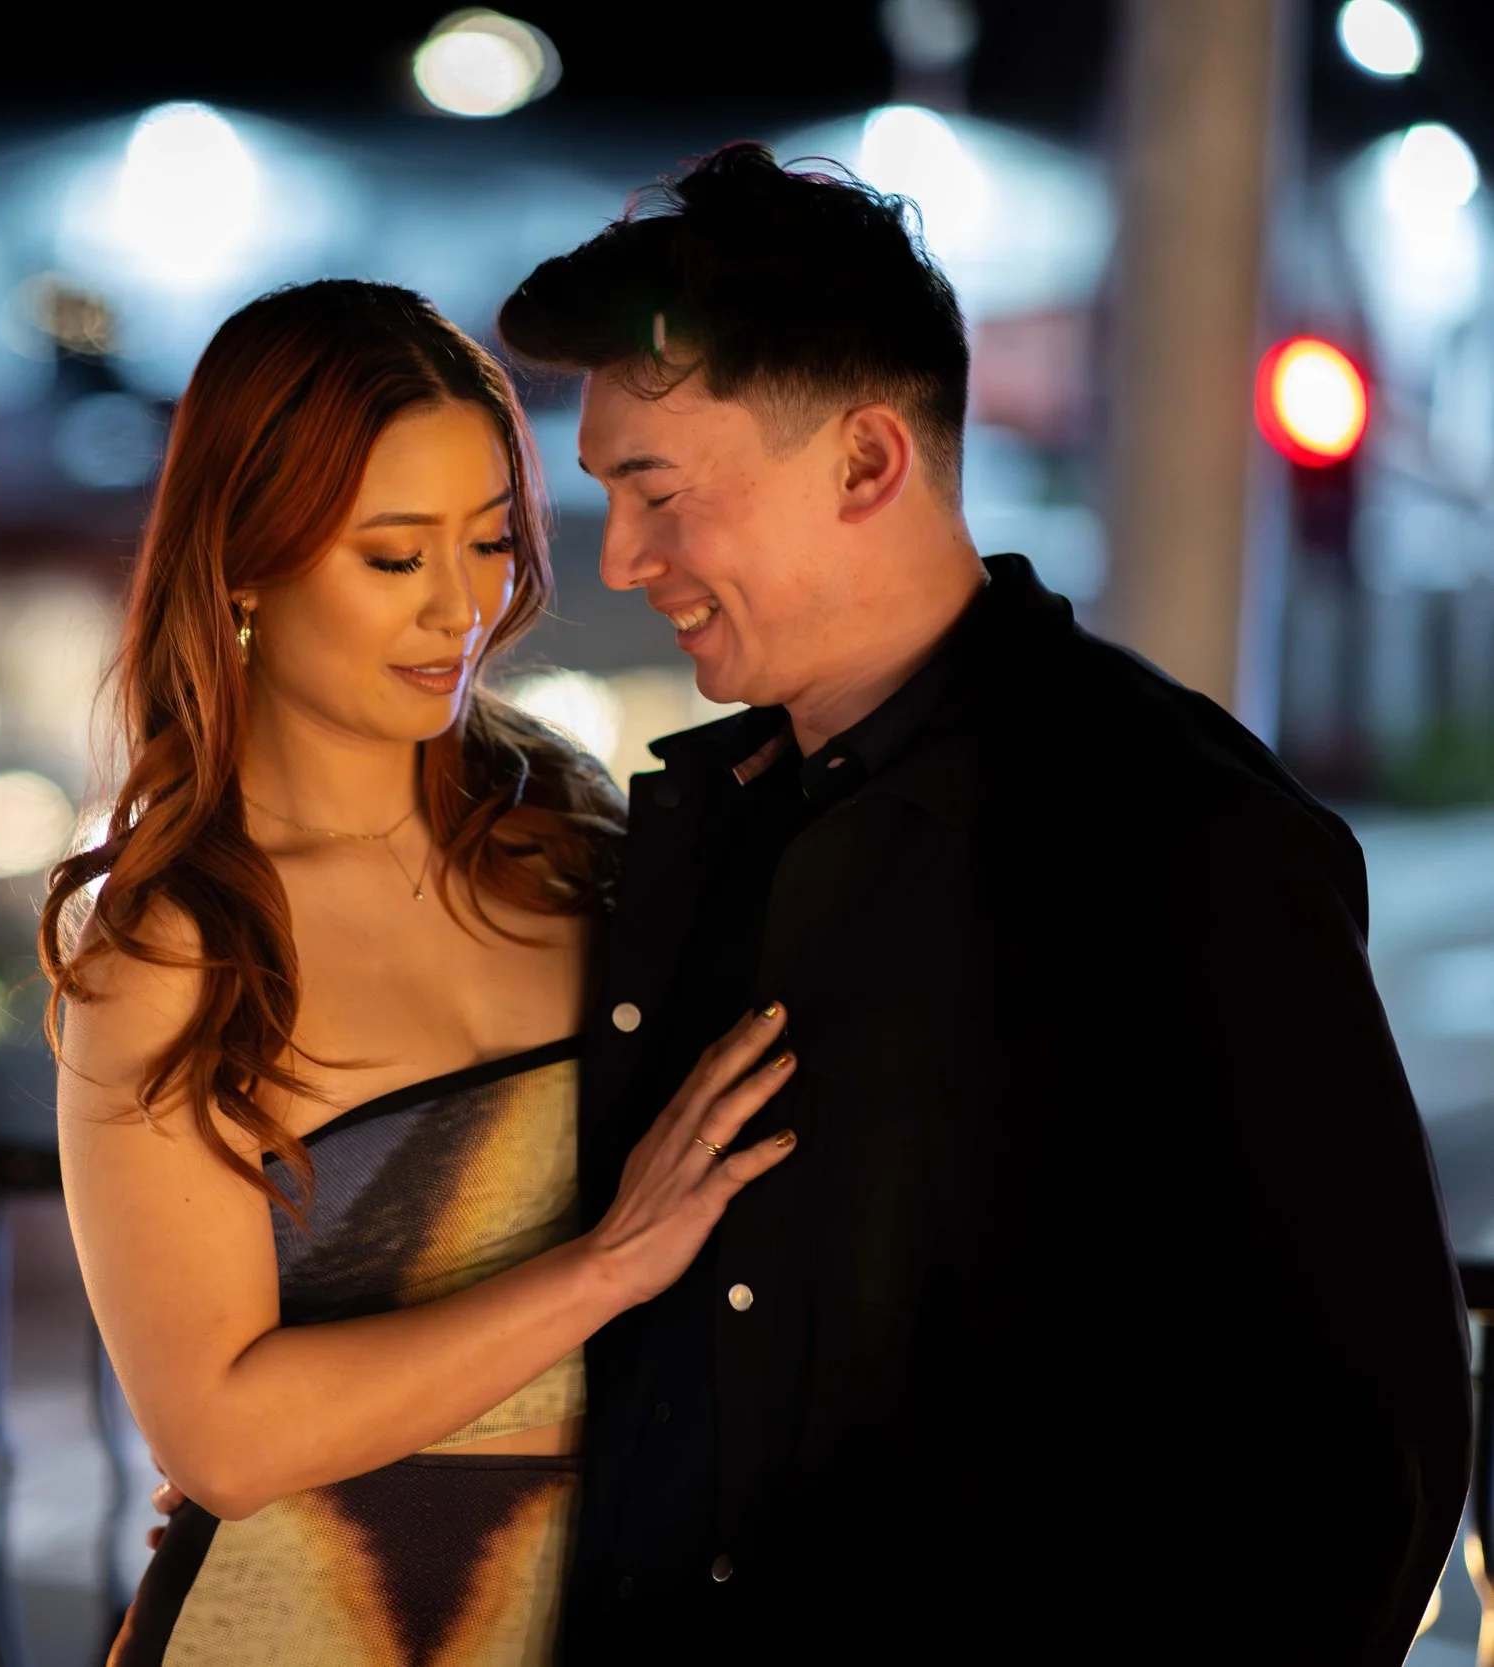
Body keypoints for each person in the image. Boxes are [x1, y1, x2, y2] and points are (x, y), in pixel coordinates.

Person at [484, 142, 1470, 1663]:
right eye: (607, 491)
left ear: (871, 461)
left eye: (659, 491)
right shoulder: (704, 824)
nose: (624, 555)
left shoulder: (1171, 824)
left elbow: (1365, 1457)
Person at [41, 278, 802, 1666]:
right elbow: (221, 1435)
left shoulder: (579, 850)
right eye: (394, 558)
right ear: (245, 562)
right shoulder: (176, 949)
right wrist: (603, 1269)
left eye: (493, 541)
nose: (463, 606)